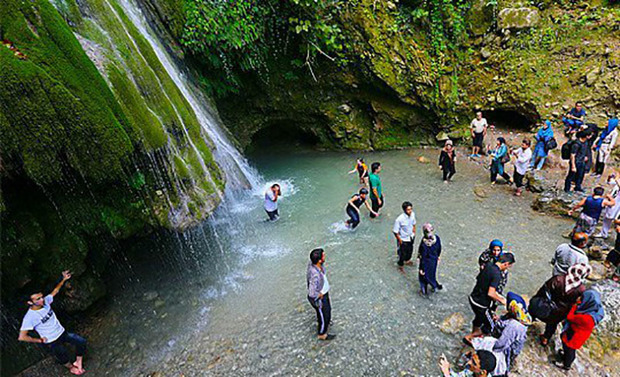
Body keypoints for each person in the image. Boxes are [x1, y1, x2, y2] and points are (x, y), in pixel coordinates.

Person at [18, 270, 87, 375]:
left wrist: (63, 279)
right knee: (62, 355)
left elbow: (55, 291)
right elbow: (22, 337)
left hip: (61, 332)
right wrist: (40, 340)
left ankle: (78, 361)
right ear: (30, 302)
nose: (42, 300)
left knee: (81, 341)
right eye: (38, 299)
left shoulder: (46, 301)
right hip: (51, 341)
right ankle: (70, 367)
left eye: (41, 297)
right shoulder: (29, 318)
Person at [533, 263, 590, 346]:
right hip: (561, 311)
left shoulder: (558, 279)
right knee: (552, 324)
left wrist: (536, 299)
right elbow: (578, 303)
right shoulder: (581, 289)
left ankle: (531, 319)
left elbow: (544, 290)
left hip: (547, 305)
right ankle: (545, 338)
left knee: (536, 308)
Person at [465, 253, 516, 344]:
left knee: (479, 318)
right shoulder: (497, 274)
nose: (507, 269)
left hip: (473, 297)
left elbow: (479, 278)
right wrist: (503, 300)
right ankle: (470, 337)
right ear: (506, 264)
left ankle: (474, 333)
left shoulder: (489, 265)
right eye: (508, 266)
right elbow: (491, 293)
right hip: (481, 303)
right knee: (491, 327)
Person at [556, 289, 605, 371]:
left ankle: (566, 365)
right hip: (581, 334)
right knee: (570, 348)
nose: (579, 299)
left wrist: (575, 306)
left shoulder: (586, 318)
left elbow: (570, 317)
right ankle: (566, 357)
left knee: (569, 348)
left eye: (582, 298)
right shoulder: (595, 311)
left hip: (575, 335)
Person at [491, 292, 531, 372]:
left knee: (503, 366)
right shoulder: (523, 317)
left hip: (509, 350)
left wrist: (489, 347)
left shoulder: (514, 325)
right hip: (513, 344)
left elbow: (502, 344)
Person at [306, 248, 335, 341]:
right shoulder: (315, 275)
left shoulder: (314, 264)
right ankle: (322, 334)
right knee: (324, 316)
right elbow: (311, 293)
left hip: (324, 294)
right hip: (320, 298)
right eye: (323, 255)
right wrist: (319, 294)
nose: (325, 256)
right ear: (319, 260)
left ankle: (324, 321)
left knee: (326, 312)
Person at [418, 223, 443, 296]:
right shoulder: (437, 239)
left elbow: (423, 255)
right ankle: (435, 286)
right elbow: (439, 248)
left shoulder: (424, 243)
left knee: (423, 277)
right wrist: (437, 256)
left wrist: (421, 268)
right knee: (432, 274)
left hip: (426, 262)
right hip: (434, 260)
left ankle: (424, 290)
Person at [393, 201, 416, 270]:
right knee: (402, 254)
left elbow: (414, 223)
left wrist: (414, 233)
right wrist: (400, 241)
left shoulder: (413, 215)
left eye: (411, 209)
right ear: (404, 210)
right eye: (408, 209)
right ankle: (400, 266)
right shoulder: (399, 219)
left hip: (410, 237)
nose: (410, 211)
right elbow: (395, 231)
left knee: (410, 251)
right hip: (403, 239)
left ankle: (407, 261)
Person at [596, 174, 620, 238]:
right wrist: (609, 177)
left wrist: (617, 178)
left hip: (617, 203)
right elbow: (610, 182)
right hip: (612, 201)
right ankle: (604, 233)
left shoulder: (618, 181)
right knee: (607, 217)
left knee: (612, 218)